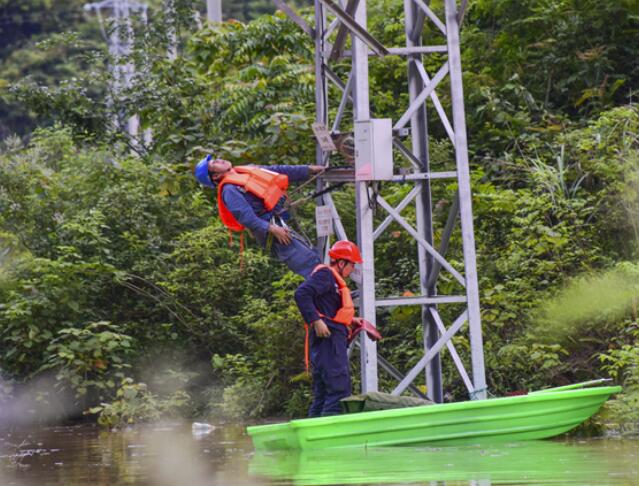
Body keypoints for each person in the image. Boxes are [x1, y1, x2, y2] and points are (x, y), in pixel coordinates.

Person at [194, 155, 323, 278]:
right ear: (216, 176)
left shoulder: (245, 171)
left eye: (217, 159)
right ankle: (330, 294)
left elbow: (278, 171)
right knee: (310, 264)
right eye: (214, 163)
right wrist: (272, 229)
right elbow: (246, 217)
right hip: (272, 230)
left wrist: (308, 169)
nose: (220, 160)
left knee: (315, 256)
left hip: (281, 219)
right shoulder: (229, 190)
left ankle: (333, 291)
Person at [294, 240, 365, 417]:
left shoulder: (332, 281)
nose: (352, 270)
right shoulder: (326, 275)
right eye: (352, 265)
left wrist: (350, 320)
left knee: (323, 394)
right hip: (328, 342)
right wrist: (316, 321)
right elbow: (301, 294)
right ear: (341, 263)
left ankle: (311, 435)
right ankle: (329, 438)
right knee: (339, 391)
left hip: (328, 342)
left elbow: (328, 310)